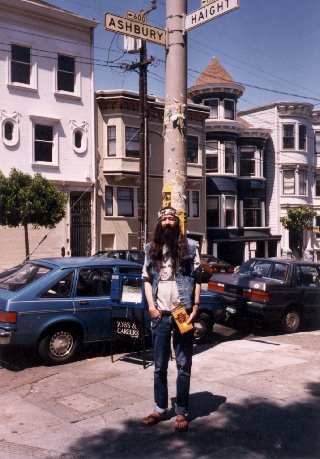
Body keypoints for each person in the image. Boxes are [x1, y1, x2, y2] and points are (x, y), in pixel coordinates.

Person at [141, 206, 201, 432]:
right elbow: (146, 279)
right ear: (159, 224)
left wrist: (195, 305)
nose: (167, 222)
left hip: (182, 312)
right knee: (159, 365)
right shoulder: (150, 249)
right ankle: (159, 408)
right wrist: (151, 307)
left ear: (177, 223)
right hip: (160, 314)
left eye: (171, 219)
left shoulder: (191, 247)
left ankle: (181, 411)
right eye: (164, 218)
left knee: (184, 364)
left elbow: (197, 278)